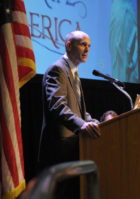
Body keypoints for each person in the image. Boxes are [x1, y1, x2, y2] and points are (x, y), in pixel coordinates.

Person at [37, 30, 101, 199]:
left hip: (72, 148)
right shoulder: (57, 69)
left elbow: (78, 110)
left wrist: (94, 122)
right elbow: (57, 106)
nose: (87, 49)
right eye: (83, 44)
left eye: (89, 46)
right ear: (68, 45)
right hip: (59, 150)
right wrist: (82, 125)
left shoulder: (74, 73)